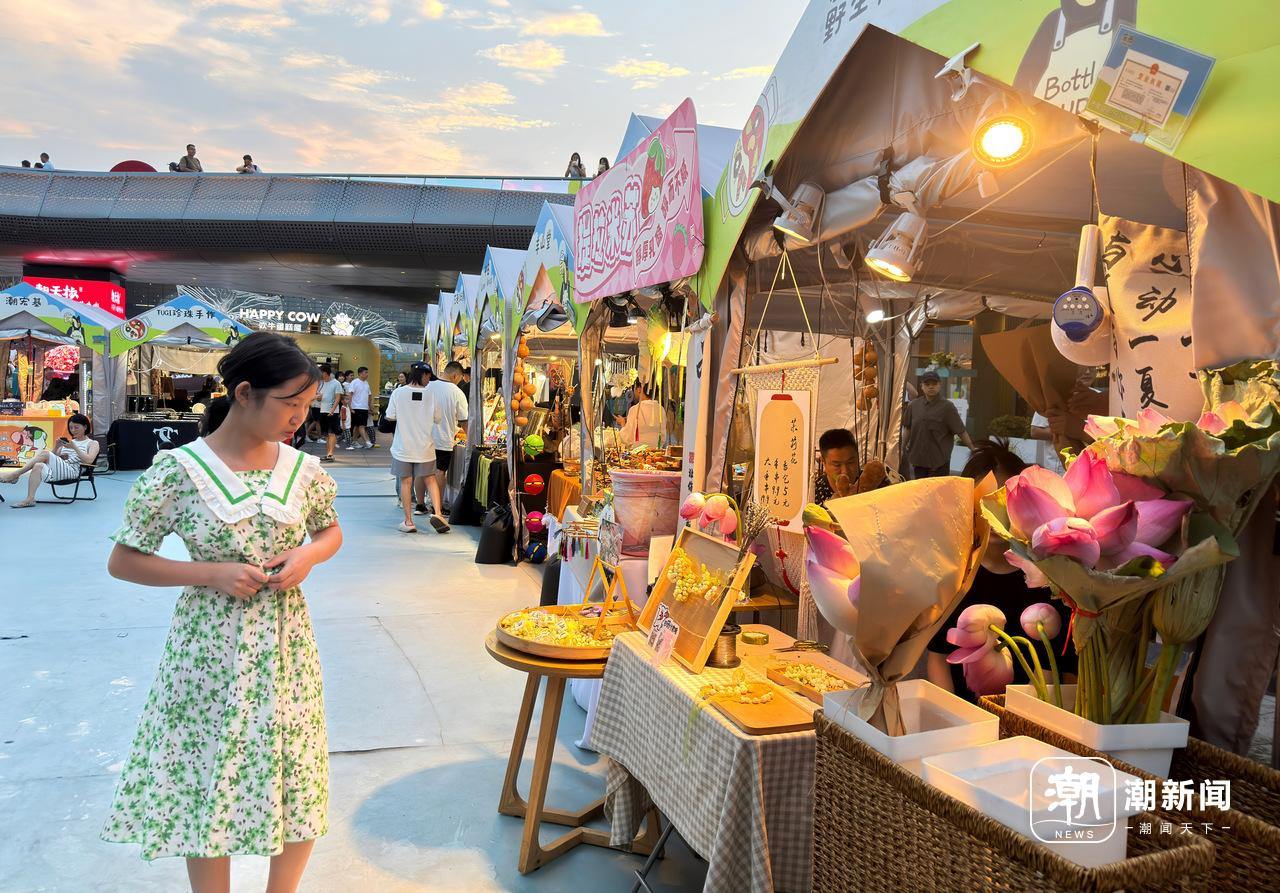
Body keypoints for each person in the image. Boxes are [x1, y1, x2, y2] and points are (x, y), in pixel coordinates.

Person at [102, 332, 341, 892]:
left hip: (286, 645)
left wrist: (307, 555)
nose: (300, 418)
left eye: (307, 405)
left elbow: (329, 531)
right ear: (244, 393)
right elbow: (124, 560)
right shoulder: (179, 471)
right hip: (209, 648)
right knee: (205, 769)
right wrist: (211, 573)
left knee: (294, 764)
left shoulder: (302, 470)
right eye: (290, 403)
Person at [926, 440, 1076, 702]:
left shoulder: (1047, 578)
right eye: (982, 502)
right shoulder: (955, 574)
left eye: (1003, 500)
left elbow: (1050, 670)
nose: (992, 513)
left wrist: (1014, 718)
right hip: (960, 715)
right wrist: (952, 715)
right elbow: (938, 658)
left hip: (1028, 713)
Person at [385, 362, 449, 534]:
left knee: (406, 482)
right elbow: (438, 419)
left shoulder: (398, 393)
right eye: (428, 376)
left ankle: (408, 521)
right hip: (425, 446)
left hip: (403, 447)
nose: (429, 380)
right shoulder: (431, 395)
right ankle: (438, 514)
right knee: (430, 479)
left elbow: (390, 416)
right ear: (422, 374)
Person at [0, 412, 99, 508]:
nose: (73, 430)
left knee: (45, 453)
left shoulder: (92, 443)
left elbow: (89, 460)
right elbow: (52, 458)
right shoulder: (69, 443)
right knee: (38, 465)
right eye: (71, 428)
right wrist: (57, 447)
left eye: (76, 427)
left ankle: (15, 474)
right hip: (61, 470)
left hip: (74, 471)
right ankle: (30, 499)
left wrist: (75, 448)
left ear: (85, 427)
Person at [903, 370, 974, 478]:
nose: (931, 387)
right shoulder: (913, 406)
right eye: (927, 384)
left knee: (939, 489)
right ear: (922, 386)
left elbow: (961, 431)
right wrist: (901, 448)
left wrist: (972, 448)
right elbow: (908, 429)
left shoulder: (947, 407)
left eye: (934, 384)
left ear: (939, 385)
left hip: (939, 461)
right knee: (919, 488)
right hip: (918, 460)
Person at [425, 361, 468, 516]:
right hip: (443, 439)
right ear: (455, 375)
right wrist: (471, 438)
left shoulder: (427, 386)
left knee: (424, 470)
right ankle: (438, 506)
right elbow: (464, 420)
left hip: (424, 438)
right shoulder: (457, 392)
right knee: (440, 472)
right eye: (460, 378)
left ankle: (421, 504)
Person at [813, 428, 861, 505]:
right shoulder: (814, 493)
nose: (845, 472)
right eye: (837, 465)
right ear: (823, 462)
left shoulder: (873, 483)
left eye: (850, 462)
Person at [616, 380, 668, 448]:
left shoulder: (635, 409)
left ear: (639, 389)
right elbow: (663, 437)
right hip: (656, 451)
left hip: (638, 452)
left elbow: (627, 438)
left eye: (634, 388)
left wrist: (622, 423)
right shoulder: (661, 409)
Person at [316, 364, 344, 462]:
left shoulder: (336, 383)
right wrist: (318, 398)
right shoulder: (321, 383)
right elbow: (320, 398)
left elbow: (338, 398)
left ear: (326, 373)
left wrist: (332, 410)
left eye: (321, 373)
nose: (319, 375)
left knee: (332, 433)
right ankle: (328, 453)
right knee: (326, 434)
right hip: (323, 410)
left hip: (333, 412)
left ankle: (331, 454)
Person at [345, 366, 373, 450]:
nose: (367, 374)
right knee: (361, 426)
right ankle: (367, 442)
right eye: (365, 372)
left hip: (364, 408)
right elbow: (350, 395)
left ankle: (354, 441)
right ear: (360, 374)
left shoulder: (366, 383)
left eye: (367, 372)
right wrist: (350, 407)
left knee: (357, 426)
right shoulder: (355, 382)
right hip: (356, 407)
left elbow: (369, 396)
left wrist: (370, 406)